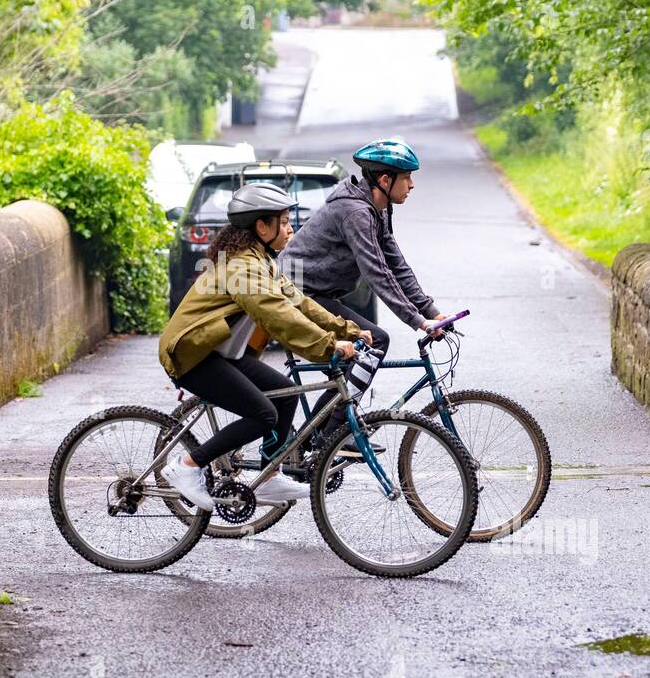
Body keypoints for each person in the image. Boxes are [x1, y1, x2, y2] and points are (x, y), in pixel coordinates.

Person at [158, 183, 372, 510]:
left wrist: (347, 329)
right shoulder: (242, 268)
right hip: (192, 356)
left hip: (219, 352)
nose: (291, 228)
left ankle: (269, 478)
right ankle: (187, 466)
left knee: (286, 394)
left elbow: (298, 302)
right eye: (284, 221)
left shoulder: (261, 261)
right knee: (263, 414)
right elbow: (278, 315)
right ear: (262, 226)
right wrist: (329, 345)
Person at [279, 138, 448, 439]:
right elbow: (377, 273)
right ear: (385, 180)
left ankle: (318, 441)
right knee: (375, 342)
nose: (411, 185)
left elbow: (397, 265)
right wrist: (419, 321)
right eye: (407, 177)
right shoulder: (356, 213)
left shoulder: (376, 210)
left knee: (351, 367)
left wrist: (432, 311)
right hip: (295, 295)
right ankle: (331, 438)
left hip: (316, 295)